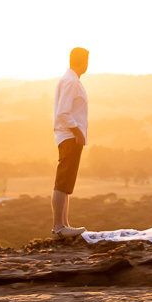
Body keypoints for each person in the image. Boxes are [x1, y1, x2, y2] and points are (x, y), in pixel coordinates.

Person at [51, 46, 89, 238]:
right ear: (83, 62)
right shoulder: (70, 82)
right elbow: (63, 113)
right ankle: (58, 227)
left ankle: (64, 225)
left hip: (70, 137)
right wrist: (78, 133)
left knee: (66, 183)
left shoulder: (71, 80)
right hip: (69, 137)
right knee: (63, 181)